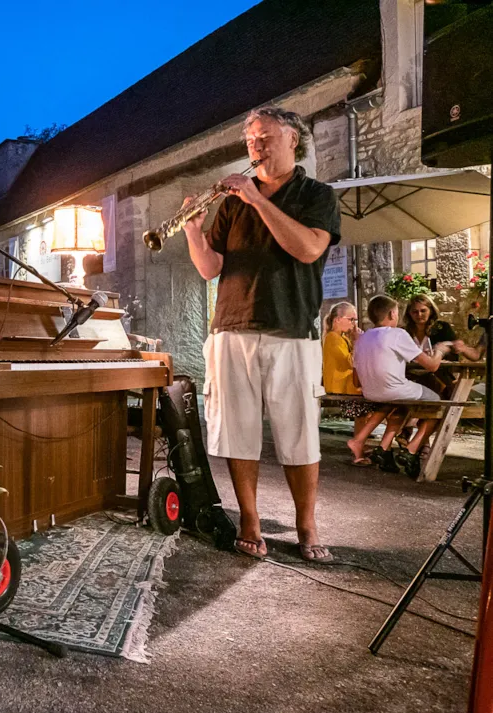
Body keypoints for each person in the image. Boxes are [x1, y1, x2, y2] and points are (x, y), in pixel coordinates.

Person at [184, 106, 340, 563]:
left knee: (299, 434)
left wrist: (256, 199)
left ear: (293, 138)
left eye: (264, 135)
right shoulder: (232, 204)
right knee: (238, 432)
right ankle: (249, 520)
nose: (255, 144)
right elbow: (211, 268)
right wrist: (194, 231)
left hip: (291, 328)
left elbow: (309, 248)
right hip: (231, 328)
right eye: (250, 137)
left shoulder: (316, 194)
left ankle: (306, 524)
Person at [352, 295, 449, 479]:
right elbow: (432, 365)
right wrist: (440, 351)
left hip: (371, 392)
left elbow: (356, 378)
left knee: (401, 403)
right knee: (440, 403)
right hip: (394, 390)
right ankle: (412, 449)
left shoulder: (362, 338)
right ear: (392, 313)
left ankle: (384, 447)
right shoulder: (397, 334)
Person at [321, 302, 389, 466]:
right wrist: (358, 342)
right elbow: (350, 361)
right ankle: (359, 446)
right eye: (351, 319)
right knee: (366, 409)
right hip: (342, 385)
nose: (354, 324)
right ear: (338, 319)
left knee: (371, 408)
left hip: (350, 382)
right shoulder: (332, 338)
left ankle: (362, 442)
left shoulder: (343, 337)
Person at [402, 293, 457, 398]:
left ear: (431, 311)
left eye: (423, 311)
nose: (419, 315)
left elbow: (454, 354)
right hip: (410, 376)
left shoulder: (442, 328)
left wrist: (437, 355)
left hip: (438, 376)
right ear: (409, 314)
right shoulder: (404, 332)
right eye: (415, 312)